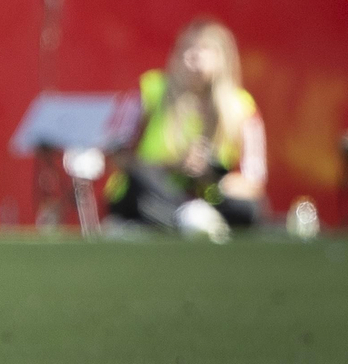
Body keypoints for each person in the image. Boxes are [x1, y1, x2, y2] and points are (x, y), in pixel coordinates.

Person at [105, 19, 267, 241]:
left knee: (248, 207)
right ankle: (187, 219)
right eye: (185, 49)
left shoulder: (242, 107)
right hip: (156, 190)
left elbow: (253, 179)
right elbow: (118, 153)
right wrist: (176, 165)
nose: (191, 57)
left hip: (206, 196)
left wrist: (214, 177)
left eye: (201, 50)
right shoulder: (151, 89)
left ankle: (193, 220)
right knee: (140, 180)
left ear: (223, 58)